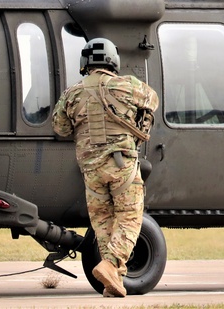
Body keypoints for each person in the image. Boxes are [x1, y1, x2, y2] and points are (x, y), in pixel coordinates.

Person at [52, 38, 158, 297]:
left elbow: (60, 128)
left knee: (104, 224)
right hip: (120, 163)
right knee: (130, 218)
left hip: (91, 171)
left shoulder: (71, 93)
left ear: (84, 64)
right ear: (113, 61)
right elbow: (151, 99)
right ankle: (110, 265)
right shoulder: (127, 85)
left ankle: (113, 283)